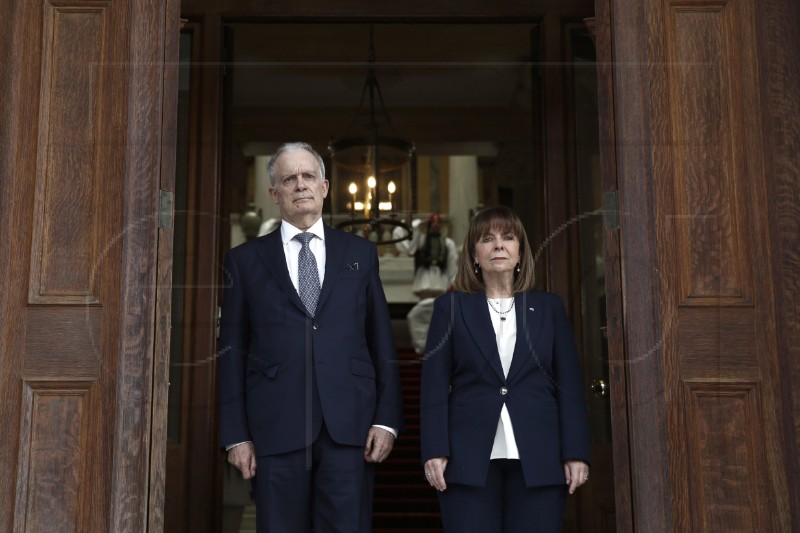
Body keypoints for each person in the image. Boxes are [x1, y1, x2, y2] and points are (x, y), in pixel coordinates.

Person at [217, 142, 404, 533]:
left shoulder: (361, 253)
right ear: (274, 194)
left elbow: (381, 343)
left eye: (307, 177)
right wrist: (235, 435)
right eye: (289, 179)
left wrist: (386, 421)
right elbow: (232, 352)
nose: (300, 185)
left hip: (348, 425)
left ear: (324, 186)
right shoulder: (245, 261)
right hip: (275, 426)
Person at [420, 206, 590, 533]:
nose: (499, 245)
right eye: (487, 239)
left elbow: (568, 385)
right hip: (466, 458)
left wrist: (576, 452)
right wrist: (435, 450)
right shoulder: (450, 309)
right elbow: (434, 387)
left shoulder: (549, 308)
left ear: (520, 251)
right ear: (474, 253)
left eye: (508, 237)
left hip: (540, 457)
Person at [396, 213, 458, 300]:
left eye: (438, 223)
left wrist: (453, 283)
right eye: (433, 222)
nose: (435, 225)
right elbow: (411, 250)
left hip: (440, 276)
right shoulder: (421, 240)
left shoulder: (448, 243)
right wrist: (419, 227)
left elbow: (452, 263)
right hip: (424, 276)